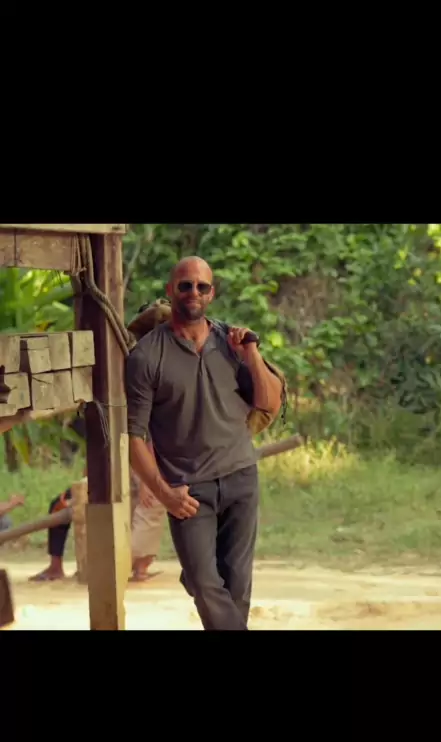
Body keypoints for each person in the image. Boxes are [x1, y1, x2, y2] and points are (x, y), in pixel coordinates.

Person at [125, 255, 283, 630]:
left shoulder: (232, 343)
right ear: (170, 291)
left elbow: (269, 402)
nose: (193, 292)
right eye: (185, 285)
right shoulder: (146, 356)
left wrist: (252, 354)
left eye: (202, 286)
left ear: (212, 293)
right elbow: (133, 437)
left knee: (236, 586)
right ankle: (196, 577)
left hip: (240, 477)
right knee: (204, 583)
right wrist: (164, 493)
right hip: (189, 490)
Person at [29, 443, 165, 583]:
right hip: (108, 476)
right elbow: (93, 455)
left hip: (136, 470)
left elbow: (148, 443)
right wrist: (83, 489)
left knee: (147, 510)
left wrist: (146, 482)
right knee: (57, 504)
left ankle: (137, 567)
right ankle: (56, 566)